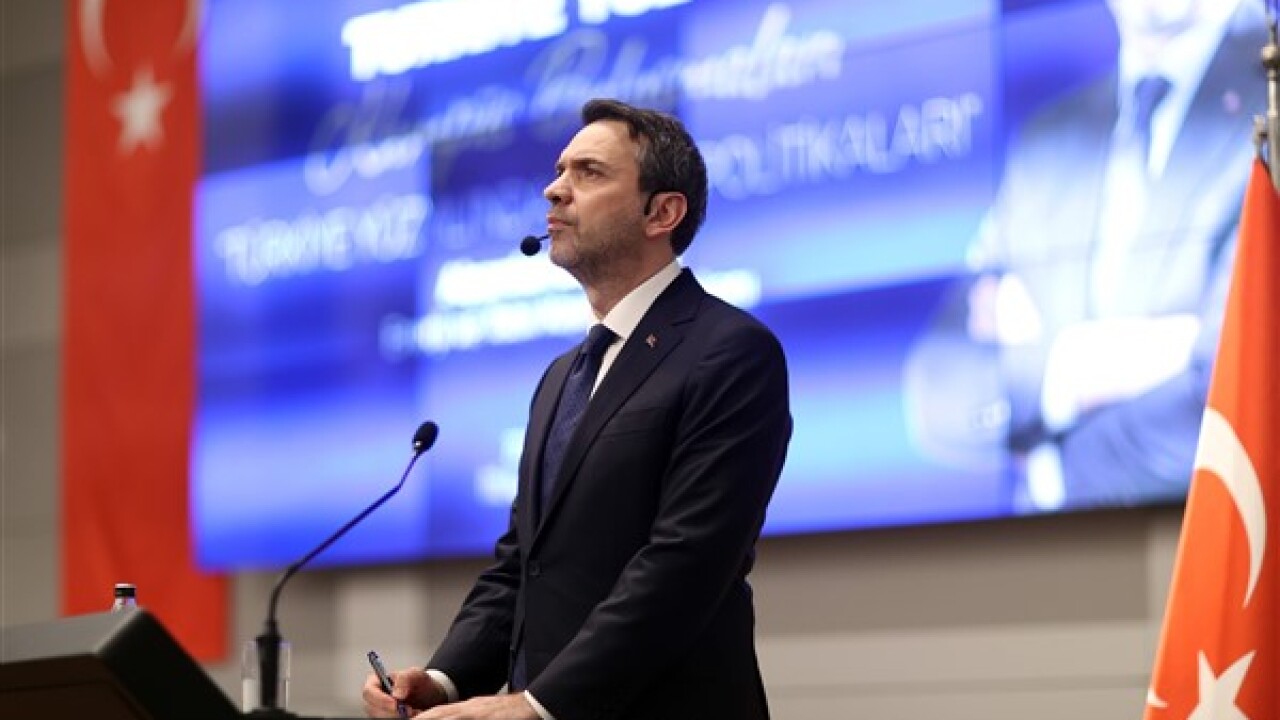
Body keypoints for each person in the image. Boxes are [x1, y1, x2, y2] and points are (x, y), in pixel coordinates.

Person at [362, 99, 792, 720]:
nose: (554, 189)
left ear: (662, 212)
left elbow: (686, 563)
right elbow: (522, 564)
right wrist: (443, 678)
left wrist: (539, 705)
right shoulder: (562, 376)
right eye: (560, 169)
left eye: (589, 172)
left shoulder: (730, 351)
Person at [904, 0, 1267, 510]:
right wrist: (1066, 367)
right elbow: (937, 389)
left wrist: (1055, 468)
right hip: (1059, 552)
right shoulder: (1049, 139)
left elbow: (1241, 392)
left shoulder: (1267, 106)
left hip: (1219, 536)